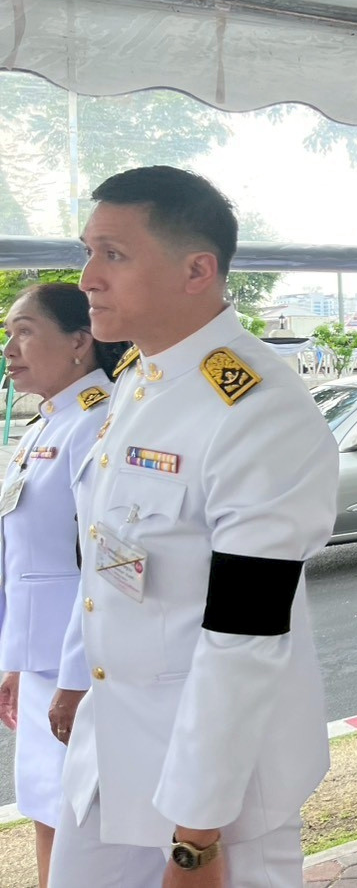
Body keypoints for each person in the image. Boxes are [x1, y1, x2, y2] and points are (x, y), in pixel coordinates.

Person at [50, 165, 339, 887]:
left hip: (217, 792)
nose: (87, 276)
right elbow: (110, 555)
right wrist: (77, 675)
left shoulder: (257, 406)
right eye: (88, 250)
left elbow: (247, 630)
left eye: (113, 254)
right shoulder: (145, 383)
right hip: (113, 756)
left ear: (197, 270)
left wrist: (196, 837)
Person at [0, 284, 126, 888]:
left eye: (24, 330)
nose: (9, 347)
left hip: (81, 668)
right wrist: (14, 661)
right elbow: (23, 556)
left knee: (84, 822)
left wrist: (76, 677)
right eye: (8, 331)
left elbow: (102, 565)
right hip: (41, 662)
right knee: (45, 805)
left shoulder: (100, 423)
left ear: (80, 342)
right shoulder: (44, 426)